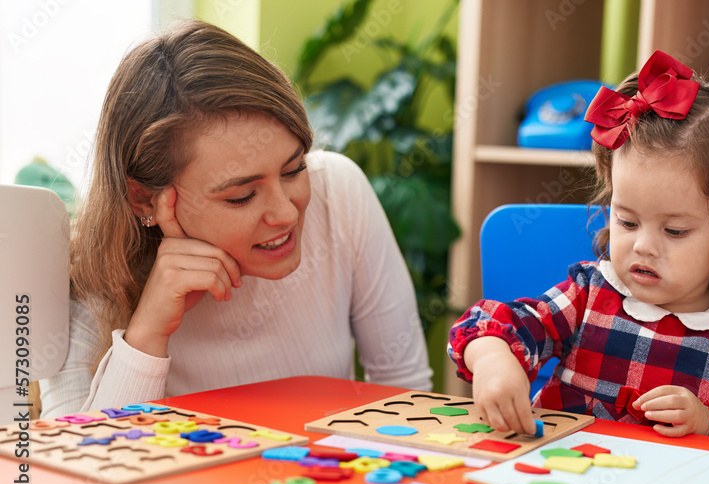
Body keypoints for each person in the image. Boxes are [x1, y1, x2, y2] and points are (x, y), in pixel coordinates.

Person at [39, 20, 432, 419]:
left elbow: (406, 398)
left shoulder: (338, 193)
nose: (286, 212)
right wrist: (148, 334)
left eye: (294, 169)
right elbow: (77, 472)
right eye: (241, 196)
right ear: (144, 198)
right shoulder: (91, 283)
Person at [449, 51, 709, 449]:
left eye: (675, 230)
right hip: (562, 481)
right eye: (627, 222)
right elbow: (490, 324)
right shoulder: (589, 295)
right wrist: (494, 358)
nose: (643, 246)